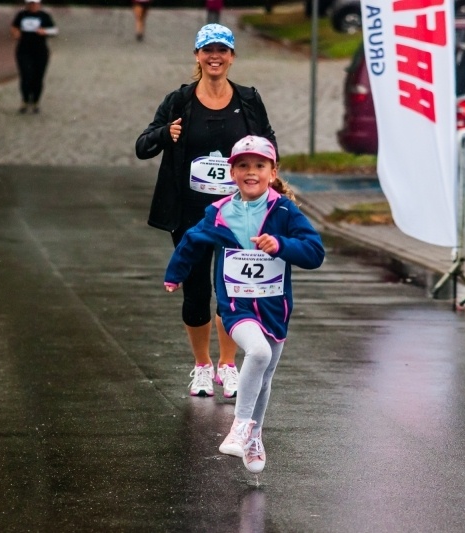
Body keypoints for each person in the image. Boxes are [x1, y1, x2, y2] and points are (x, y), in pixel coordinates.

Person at [164, 135, 325, 473]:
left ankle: (254, 435)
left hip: (274, 307)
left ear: (272, 171)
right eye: (243, 166)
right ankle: (239, 426)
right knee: (259, 353)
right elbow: (192, 240)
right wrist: (175, 273)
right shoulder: (220, 212)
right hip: (236, 305)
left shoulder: (284, 210)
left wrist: (280, 245)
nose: (251, 172)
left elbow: (315, 252)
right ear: (231, 172)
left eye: (259, 166)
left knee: (264, 377)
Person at [136, 24, 279, 400]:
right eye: (207, 50)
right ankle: (202, 366)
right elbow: (143, 146)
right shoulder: (179, 102)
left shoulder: (247, 100)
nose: (215, 57)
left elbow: (269, 144)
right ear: (197, 56)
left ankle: (228, 366)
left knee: (233, 290)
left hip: (239, 212)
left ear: (231, 57)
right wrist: (167, 133)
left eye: (222, 50)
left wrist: (269, 180)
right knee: (196, 291)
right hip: (190, 213)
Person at [11, 0, 58, 114]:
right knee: (26, 75)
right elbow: (14, 26)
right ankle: (25, 100)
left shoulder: (44, 16)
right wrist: (15, 33)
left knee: (38, 77)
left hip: (40, 51)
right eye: (30, 3)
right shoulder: (21, 15)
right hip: (24, 50)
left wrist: (45, 31)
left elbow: (55, 30)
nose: (32, 5)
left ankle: (36, 101)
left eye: (35, 3)